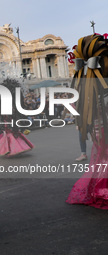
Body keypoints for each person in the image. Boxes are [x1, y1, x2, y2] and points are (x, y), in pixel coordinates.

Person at [66, 34, 108, 209]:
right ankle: (101, 188)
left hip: (96, 127)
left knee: (101, 154)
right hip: (100, 127)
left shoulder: (86, 87)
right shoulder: (97, 87)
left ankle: (97, 187)